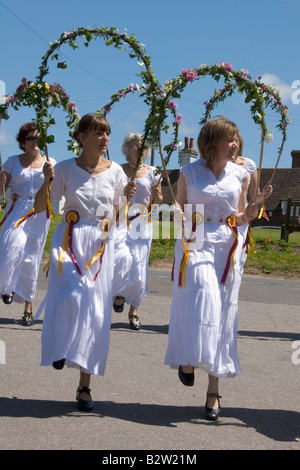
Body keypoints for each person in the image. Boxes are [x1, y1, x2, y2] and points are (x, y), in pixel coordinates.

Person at [33, 113, 136, 411]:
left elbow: (117, 218)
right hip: (69, 239)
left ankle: (85, 386)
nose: (104, 139)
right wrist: (46, 181)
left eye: (107, 133)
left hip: (100, 244)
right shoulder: (63, 168)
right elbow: (42, 207)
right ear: (81, 137)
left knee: (95, 313)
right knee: (72, 295)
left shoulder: (116, 172)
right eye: (98, 133)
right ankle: (61, 345)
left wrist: (125, 199)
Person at [164, 116, 259, 421]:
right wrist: (177, 213)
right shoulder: (189, 172)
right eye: (229, 139)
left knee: (223, 314)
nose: (235, 145)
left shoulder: (241, 174)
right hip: (197, 242)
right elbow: (178, 204)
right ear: (212, 141)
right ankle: (189, 359)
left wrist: (250, 213)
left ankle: (213, 391)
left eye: (237, 139)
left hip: (228, 245)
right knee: (205, 296)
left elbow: (242, 215)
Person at [0, 122, 56, 326]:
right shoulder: (12, 162)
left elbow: (55, 189)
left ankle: (28, 307)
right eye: (31, 138)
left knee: (32, 258)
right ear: (23, 142)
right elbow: (1, 190)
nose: (36, 142)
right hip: (17, 208)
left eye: (38, 138)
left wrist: (50, 177)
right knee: (11, 246)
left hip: (40, 211)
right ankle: (7, 286)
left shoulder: (50, 162)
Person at [112, 133, 163, 330]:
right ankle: (118, 293)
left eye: (143, 145)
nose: (140, 147)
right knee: (120, 257)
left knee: (139, 266)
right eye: (135, 144)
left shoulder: (153, 171)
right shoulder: (118, 170)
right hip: (121, 220)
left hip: (142, 222)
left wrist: (158, 196)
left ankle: (134, 309)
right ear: (127, 149)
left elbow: (158, 200)